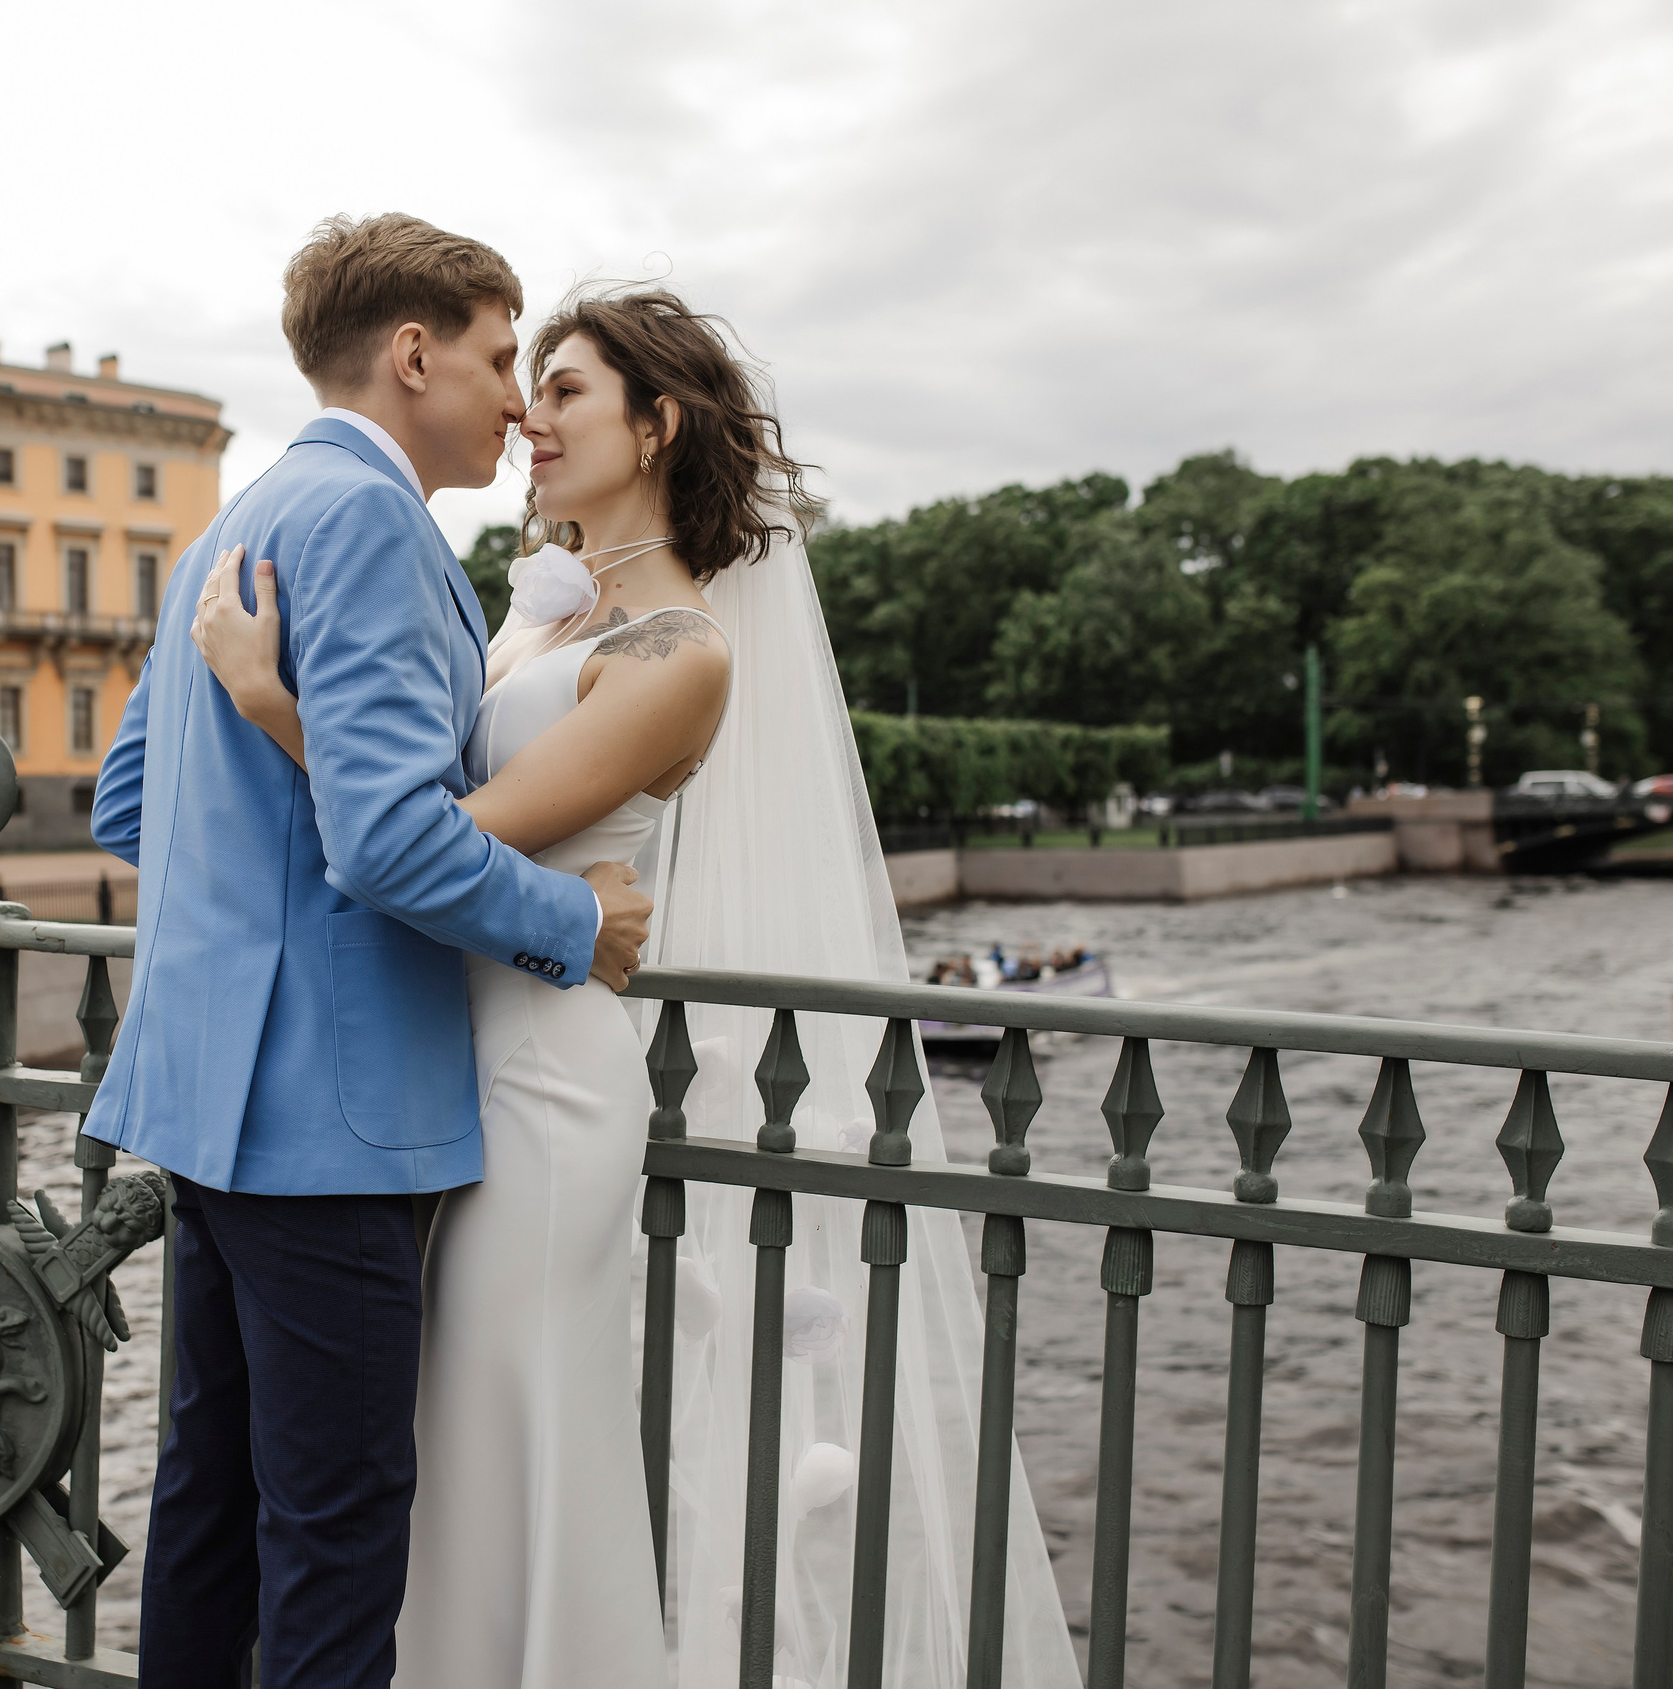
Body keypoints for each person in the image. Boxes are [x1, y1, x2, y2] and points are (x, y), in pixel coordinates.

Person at [195, 289, 1082, 1688]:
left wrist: (271, 708)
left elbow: (449, 837)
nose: (526, 418)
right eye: (527, 385)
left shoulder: (683, 654)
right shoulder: (540, 619)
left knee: (516, 1441)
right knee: (437, 1454)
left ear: (656, 425)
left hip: (544, 1079)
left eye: (564, 393)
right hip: (446, 1058)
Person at [82, 214, 654, 1689]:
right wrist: (577, 923)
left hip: (204, 1104)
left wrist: (279, 797)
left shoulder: (235, 522)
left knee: (206, 1505)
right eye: (493, 354)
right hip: (334, 1124)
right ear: (412, 355)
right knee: (337, 1535)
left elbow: (130, 801)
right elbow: (394, 842)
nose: (516, 397)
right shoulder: (381, 527)